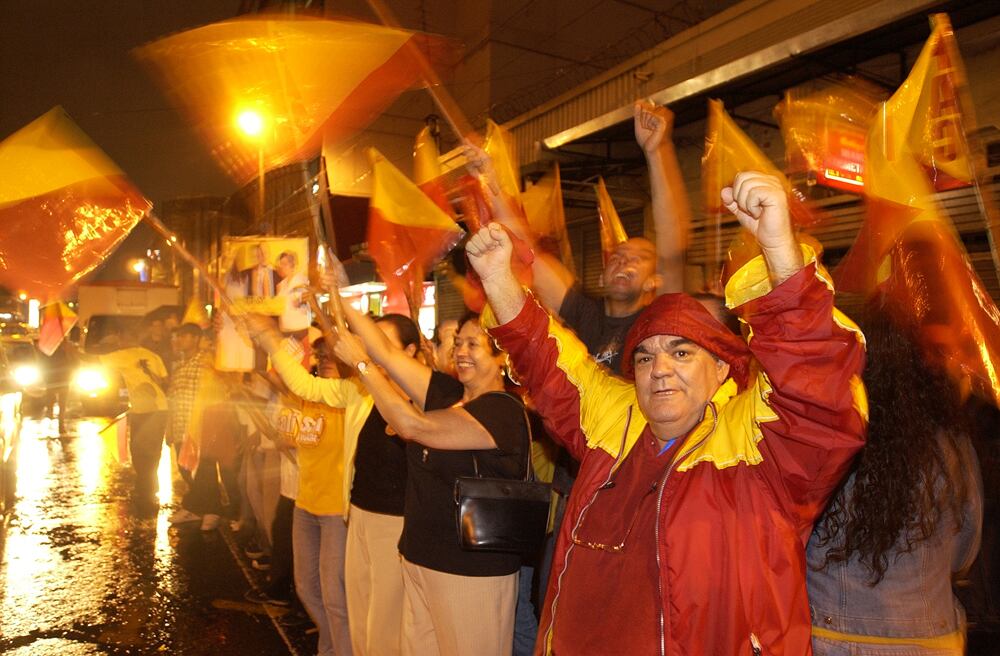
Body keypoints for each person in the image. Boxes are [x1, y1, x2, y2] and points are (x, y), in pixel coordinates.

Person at [465, 171, 867, 654]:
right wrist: (497, 278)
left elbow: (815, 385)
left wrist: (779, 249)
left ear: (722, 368)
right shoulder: (616, 419)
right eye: (644, 357)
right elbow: (544, 359)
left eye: (681, 352)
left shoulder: (757, 443)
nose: (659, 369)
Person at [327, 308, 531, 656]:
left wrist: (362, 365)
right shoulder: (446, 392)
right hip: (420, 560)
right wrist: (342, 299)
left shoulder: (503, 411)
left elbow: (413, 426)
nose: (461, 351)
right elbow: (386, 351)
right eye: (457, 343)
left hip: (471, 573)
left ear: (503, 357)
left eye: (473, 345)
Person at [806, 299, 983, 654]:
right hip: (928, 638)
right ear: (915, 362)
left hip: (829, 639)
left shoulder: (815, 440)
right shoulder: (950, 442)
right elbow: (964, 553)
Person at [253, 312, 423, 656]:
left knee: (378, 613)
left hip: (393, 522)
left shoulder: (424, 397)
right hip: (353, 512)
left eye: (384, 344)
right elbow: (305, 385)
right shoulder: (359, 391)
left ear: (411, 351)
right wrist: (270, 341)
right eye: (371, 345)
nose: (376, 352)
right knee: (342, 603)